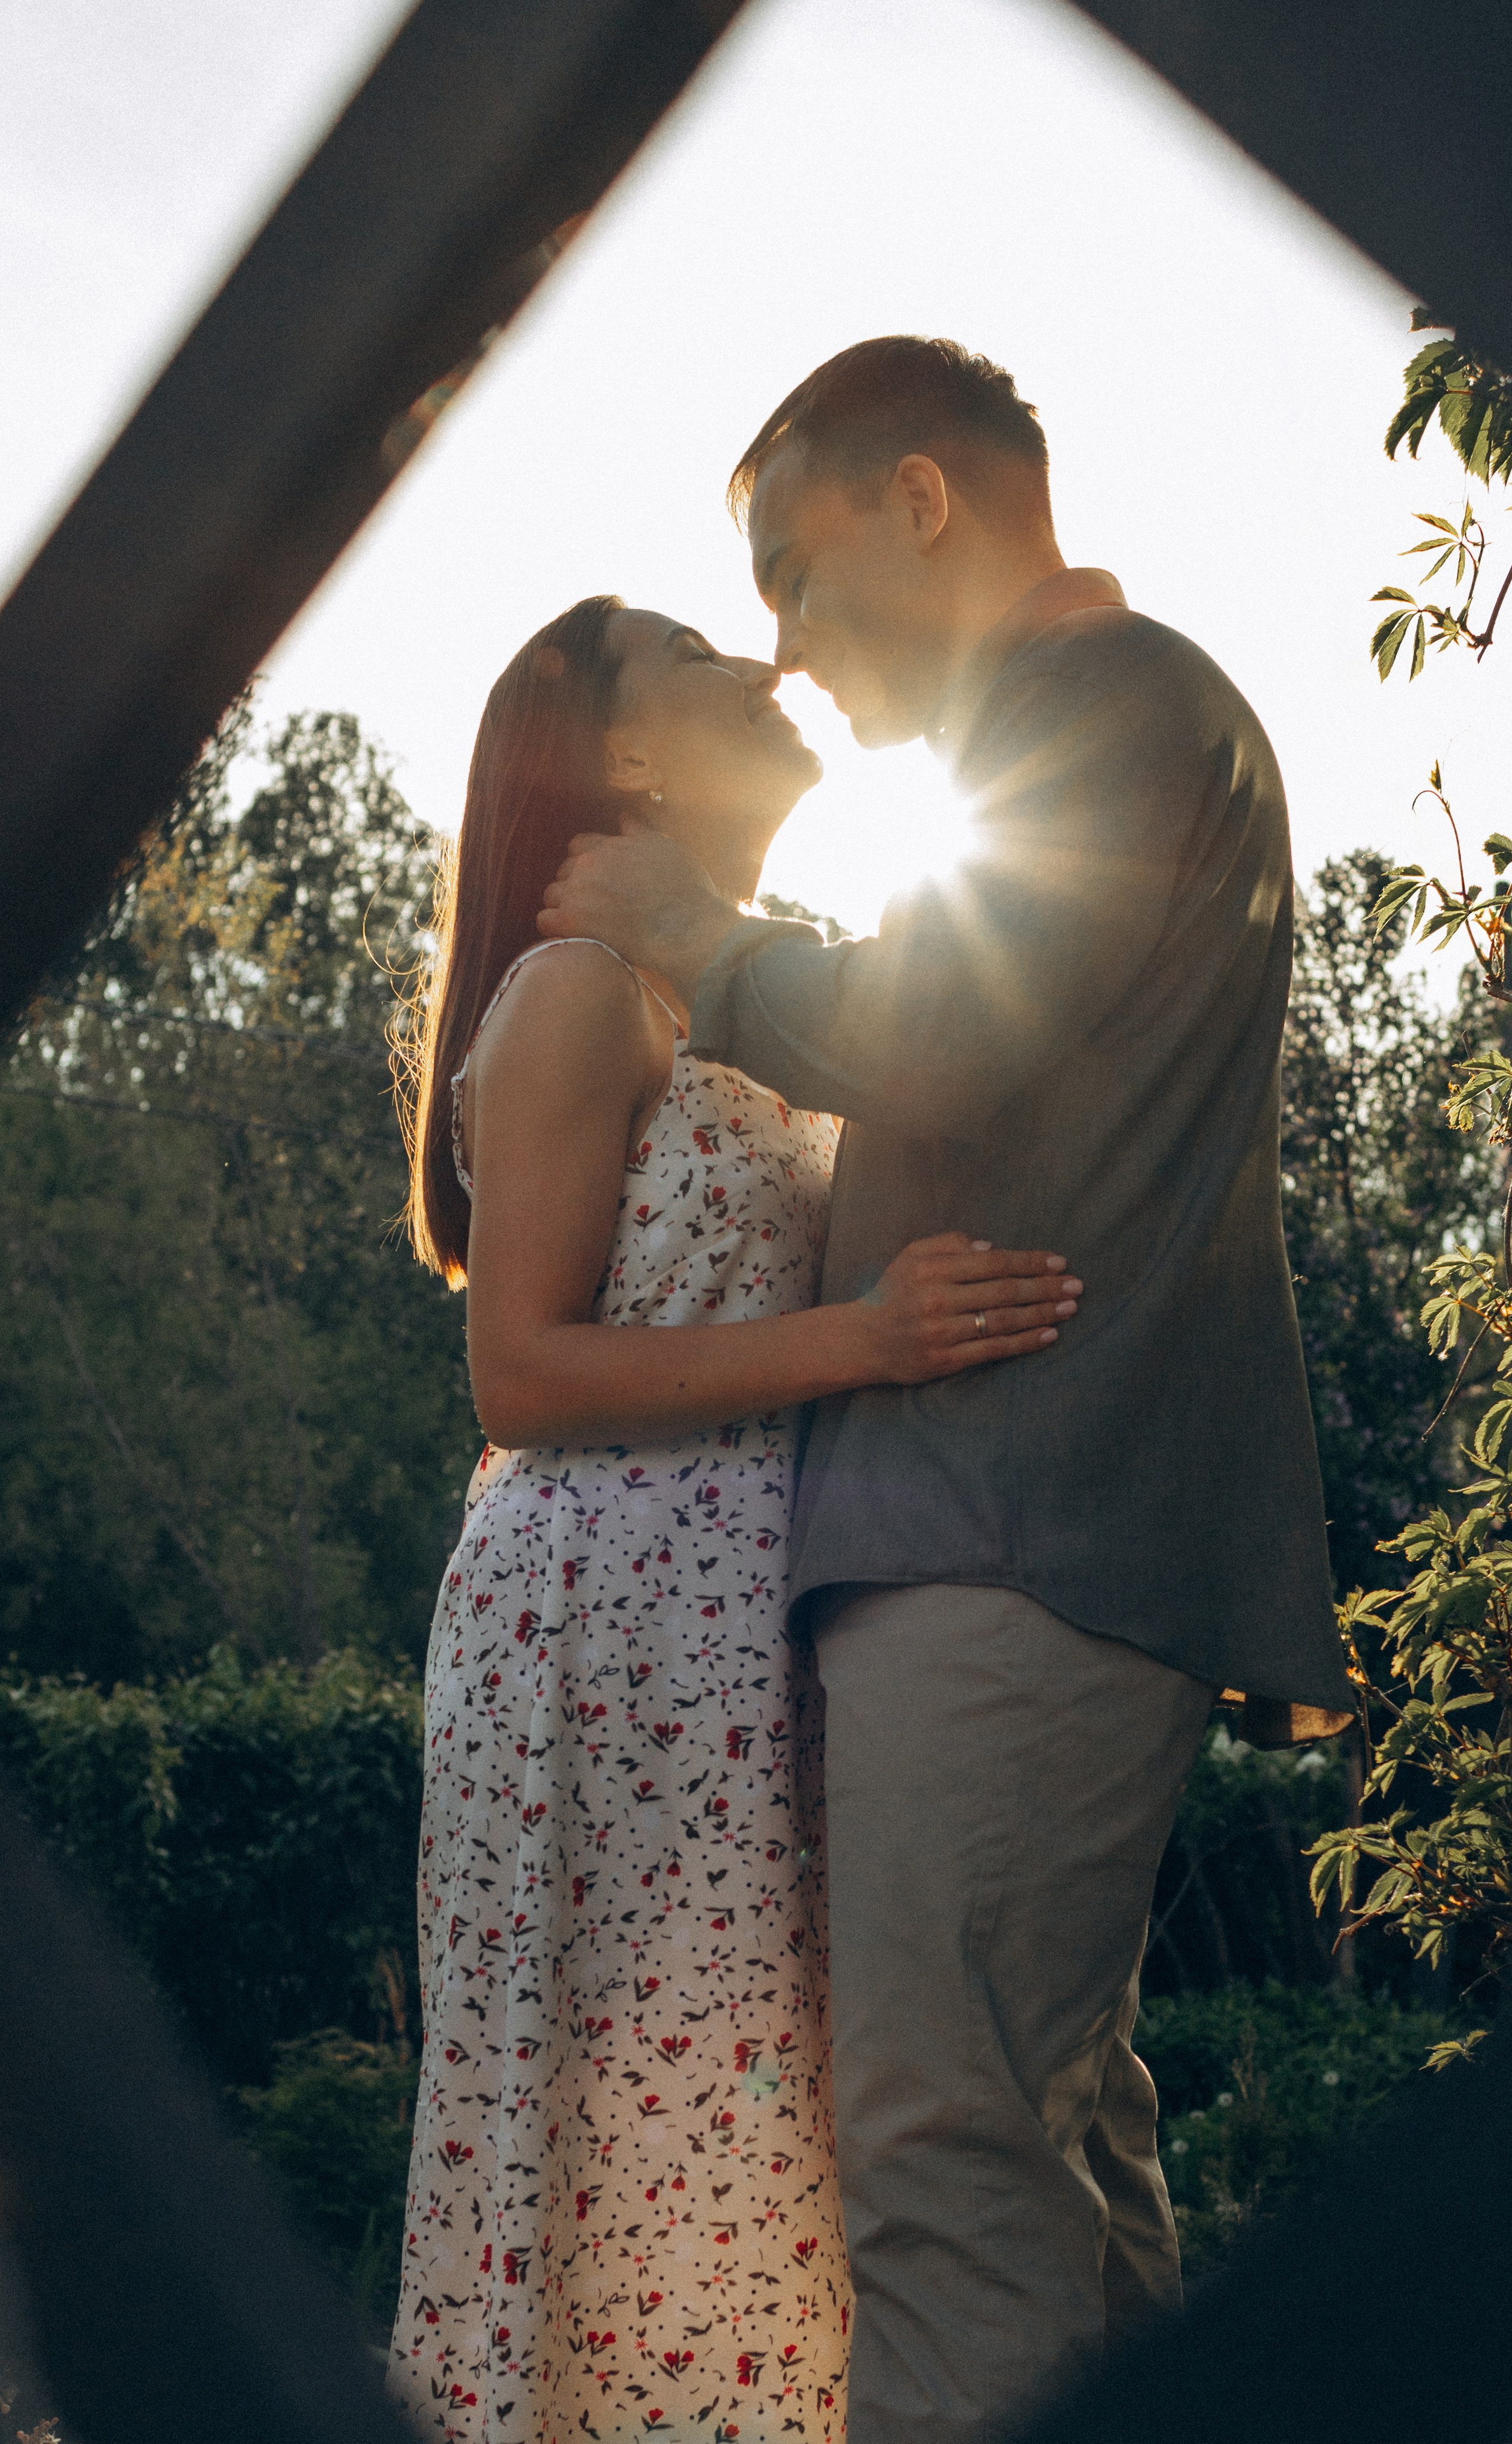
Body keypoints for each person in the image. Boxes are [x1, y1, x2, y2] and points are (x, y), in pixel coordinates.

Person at [536, 339, 1355, 2444]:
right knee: (1057, 2137)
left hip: (1018, 1524)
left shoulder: (1105, 706)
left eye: (797, 575)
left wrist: (694, 933)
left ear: (923, 501)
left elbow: (933, 1033)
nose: (787, 650)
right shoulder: (1097, 725)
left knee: (941, 2157)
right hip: (1041, 1536)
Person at [389, 591, 1081, 2444]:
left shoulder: (759, 988)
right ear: (622, 757)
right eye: (705, 655)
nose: (767, 664)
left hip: (749, 1633)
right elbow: (517, 1375)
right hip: (602, 1639)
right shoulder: (578, 991)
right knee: (622, 2144)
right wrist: (865, 1337)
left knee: (753, 2143)